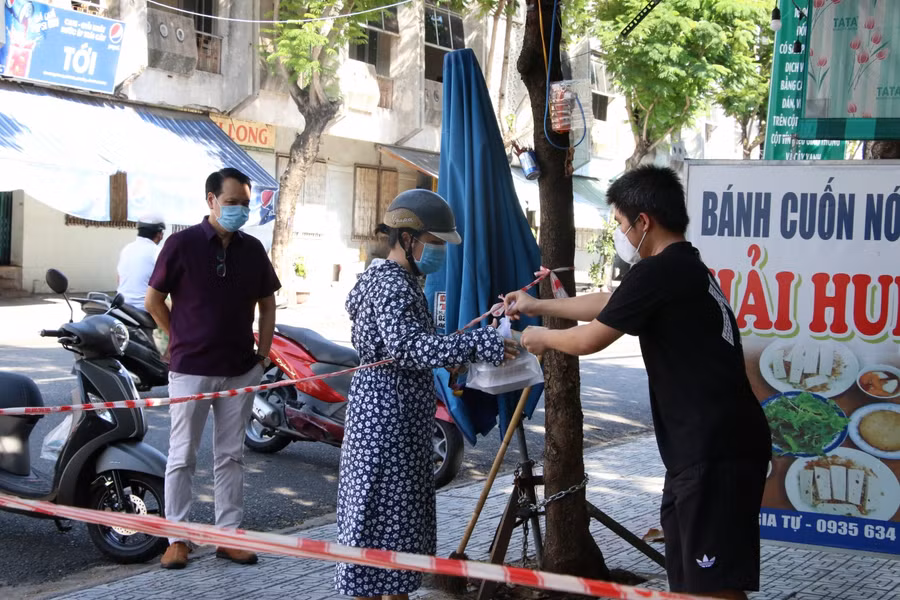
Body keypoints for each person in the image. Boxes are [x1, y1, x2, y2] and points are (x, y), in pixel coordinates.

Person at [506, 166, 771, 600]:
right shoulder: (683, 268)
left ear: (643, 221)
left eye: (621, 224)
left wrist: (537, 337)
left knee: (711, 587)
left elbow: (591, 338)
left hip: (714, 449)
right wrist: (539, 302)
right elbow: (611, 302)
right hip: (707, 447)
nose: (622, 235)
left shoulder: (661, 272)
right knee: (692, 580)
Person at [335, 189, 517, 600]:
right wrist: (478, 345)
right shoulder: (394, 286)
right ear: (406, 239)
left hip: (387, 420)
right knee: (389, 527)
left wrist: (451, 350)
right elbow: (407, 348)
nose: (439, 252)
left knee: (382, 526)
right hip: (387, 427)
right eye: (432, 243)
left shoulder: (388, 278)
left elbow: (411, 344)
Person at [145, 167, 281, 570]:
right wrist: (177, 338)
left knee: (230, 456)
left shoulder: (253, 249)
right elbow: (154, 301)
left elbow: (267, 302)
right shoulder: (181, 244)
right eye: (232, 202)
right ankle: (177, 538)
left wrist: (263, 356)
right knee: (182, 455)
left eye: (245, 202)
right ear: (211, 200)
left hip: (241, 369)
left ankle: (228, 536)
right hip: (191, 370)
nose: (240, 209)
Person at [117, 214, 165, 308]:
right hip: (144, 308)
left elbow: (119, 279)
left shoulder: (127, 249)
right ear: (160, 234)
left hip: (122, 305)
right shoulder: (158, 252)